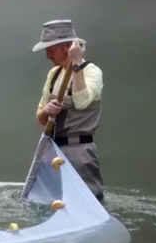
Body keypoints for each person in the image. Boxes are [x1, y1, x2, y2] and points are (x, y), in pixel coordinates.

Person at [34, 19, 105, 201]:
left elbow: (82, 102)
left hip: (79, 151)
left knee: (87, 201)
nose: (47, 55)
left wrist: (76, 64)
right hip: (53, 150)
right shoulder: (54, 74)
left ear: (67, 46)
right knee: (53, 201)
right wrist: (47, 110)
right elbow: (41, 117)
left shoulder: (92, 72)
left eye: (50, 49)